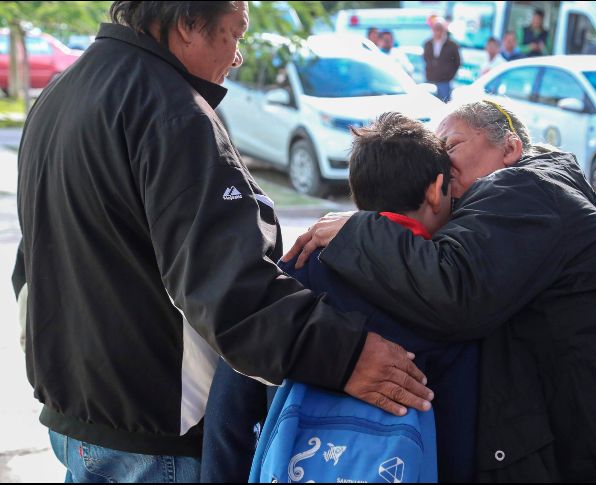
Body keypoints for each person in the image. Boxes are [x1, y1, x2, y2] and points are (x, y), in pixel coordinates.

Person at [12, 1, 432, 482]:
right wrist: (346, 355)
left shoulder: (62, 91)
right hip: (153, 435)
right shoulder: (171, 110)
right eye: (234, 33)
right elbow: (228, 285)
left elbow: (31, 261)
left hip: (75, 419)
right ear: (189, 25)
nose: (236, 56)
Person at [284, 101, 596, 483]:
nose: (441, 162)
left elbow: (454, 290)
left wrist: (361, 228)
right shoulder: (509, 206)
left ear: (510, 148)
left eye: (451, 146)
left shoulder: (526, 190)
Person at [202, 113, 478, 483]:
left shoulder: (299, 268)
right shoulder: (451, 287)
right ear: (435, 189)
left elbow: (231, 407)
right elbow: (462, 429)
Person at [423, 17, 461, 102]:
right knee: (429, 103)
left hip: (445, 82)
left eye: (440, 28)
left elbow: (457, 62)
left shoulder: (452, 44)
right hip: (430, 80)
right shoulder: (427, 44)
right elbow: (425, 59)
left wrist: (450, 76)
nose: (438, 31)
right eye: (436, 28)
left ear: (444, 30)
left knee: (444, 103)